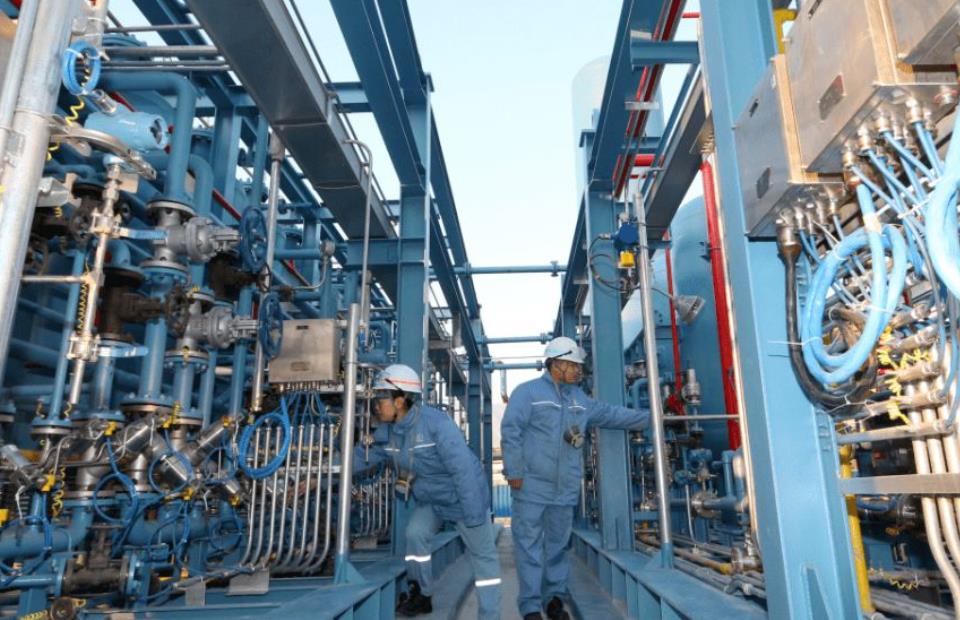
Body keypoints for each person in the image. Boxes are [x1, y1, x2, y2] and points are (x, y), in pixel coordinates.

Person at [501, 337, 650, 620]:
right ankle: (530, 606)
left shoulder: (579, 399)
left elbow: (609, 414)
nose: (578, 371)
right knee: (529, 547)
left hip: (565, 488)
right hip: (532, 485)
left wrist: (648, 417)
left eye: (578, 366)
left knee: (558, 547)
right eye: (573, 365)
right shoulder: (527, 393)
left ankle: (554, 600)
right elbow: (511, 431)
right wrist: (514, 471)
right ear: (556, 364)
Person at [356, 364, 502, 619]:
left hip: (463, 498)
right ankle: (422, 595)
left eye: (381, 398)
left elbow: (464, 472)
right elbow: (360, 459)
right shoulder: (388, 432)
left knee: (483, 558)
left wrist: (474, 517)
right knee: (415, 534)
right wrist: (320, 476)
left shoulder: (436, 424)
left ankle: (490, 615)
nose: (376, 405)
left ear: (400, 401)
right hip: (433, 500)